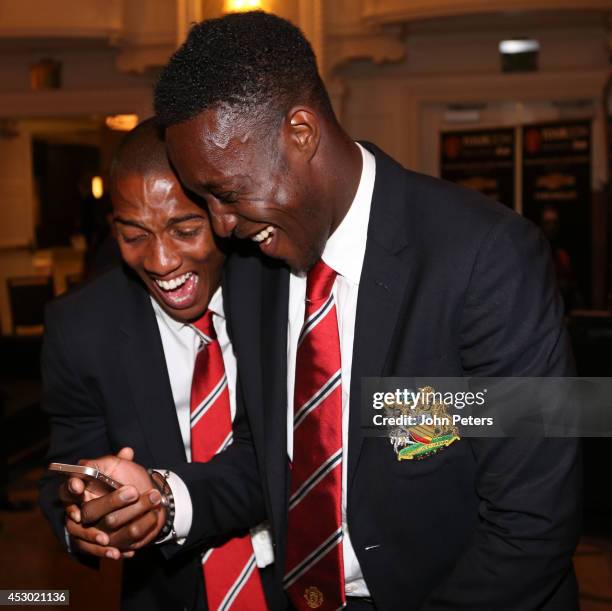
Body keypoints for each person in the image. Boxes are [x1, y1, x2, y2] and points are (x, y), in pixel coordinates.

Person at [78, 11, 581, 611]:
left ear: (300, 131)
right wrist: (164, 496)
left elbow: (532, 518)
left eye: (229, 193)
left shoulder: (487, 255)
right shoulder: (257, 263)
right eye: (205, 199)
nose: (221, 225)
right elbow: (270, 459)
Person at [39, 119, 283, 611]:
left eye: (185, 229)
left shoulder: (283, 289)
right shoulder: (80, 327)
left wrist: (166, 500)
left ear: (220, 215)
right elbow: (65, 467)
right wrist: (85, 512)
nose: (161, 260)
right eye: (134, 235)